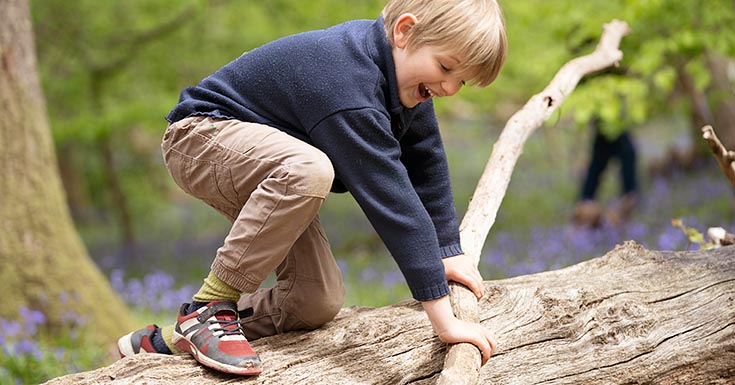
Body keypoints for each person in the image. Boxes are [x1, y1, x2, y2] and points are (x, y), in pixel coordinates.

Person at [117, 0, 507, 376]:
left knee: (315, 300)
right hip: (201, 137)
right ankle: (208, 308)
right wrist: (444, 319)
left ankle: (161, 343)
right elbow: (395, 204)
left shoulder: (403, 82)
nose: (451, 87)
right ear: (404, 32)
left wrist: (447, 251)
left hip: (267, 163)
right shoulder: (348, 82)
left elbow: (426, 164)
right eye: (446, 67)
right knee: (310, 170)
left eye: (462, 81)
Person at [573, 117, 638, 228]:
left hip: (613, 119)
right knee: (600, 161)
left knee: (624, 155)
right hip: (607, 118)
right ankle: (585, 205)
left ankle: (628, 199)